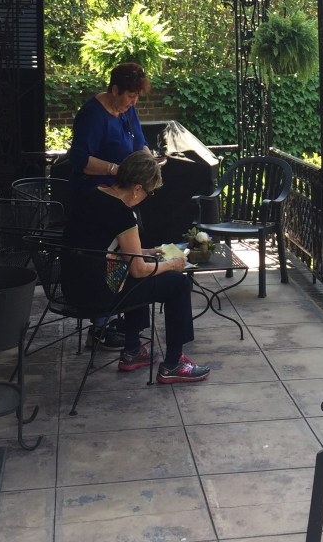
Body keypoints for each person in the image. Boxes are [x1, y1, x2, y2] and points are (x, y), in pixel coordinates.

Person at [60, 150, 211, 384]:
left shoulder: (92, 195)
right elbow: (138, 270)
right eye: (150, 192)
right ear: (137, 188)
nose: (148, 197)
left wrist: (147, 252)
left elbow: (101, 246)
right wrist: (172, 265)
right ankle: (174, 363)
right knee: (178, 283)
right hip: (98, 296)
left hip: (71, 286)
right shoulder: (123, 213)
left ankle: (132, 349)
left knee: (134, 273)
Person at [67, 62, 153, 199]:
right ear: (115, 90)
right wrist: (116, 170)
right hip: (96, 192)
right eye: (131, 96)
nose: (134, 102)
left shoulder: (126, 108)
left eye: (137, 96)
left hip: (123, 188)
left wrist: (151, 164)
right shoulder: (93, 115)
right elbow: (79, 159)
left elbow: (139, 142)